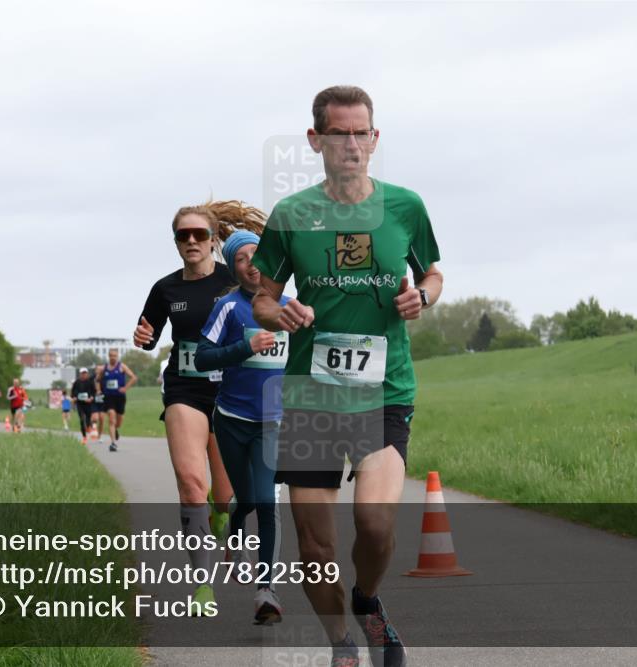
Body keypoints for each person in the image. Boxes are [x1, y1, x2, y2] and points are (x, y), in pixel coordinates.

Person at [252, 85, 443, 667]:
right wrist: (280, 312)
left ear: (375, 138)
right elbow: (262, 297)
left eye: (363, 133)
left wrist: (422, 298)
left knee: (376, 522)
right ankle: (342, 645)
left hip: (383, 392)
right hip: (311, 396)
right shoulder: (292, 215)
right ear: (316, 140)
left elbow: (433, 274)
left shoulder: (405, 207)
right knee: (315, 548)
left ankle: (366, 600)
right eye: (340, 134)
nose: (353, 145)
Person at [133, 200, 264, 611]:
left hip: (230, 392)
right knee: (191, 485)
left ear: (212, 240)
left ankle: (224, 520)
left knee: (225, 496)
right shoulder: (165, 289)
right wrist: (143, 338)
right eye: (183, 235)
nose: (191, 240)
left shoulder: (233, 279)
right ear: (176, 242)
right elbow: (150, 335)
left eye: (199, 234)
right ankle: (203, 585)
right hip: (184, 390)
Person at [195, 230, 289, 626]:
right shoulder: (229, 308)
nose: (251, 264)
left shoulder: (288, 306)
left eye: (257, 255)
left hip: (272, 423)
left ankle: (266, 590)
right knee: (246, 499)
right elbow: (202, 358)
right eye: (241, 258)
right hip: (232, 420)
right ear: (233, 268)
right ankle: (234, 528)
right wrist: (244, 348)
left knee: (267, 502)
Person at [99, 348, 138, 452]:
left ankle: (116, 429)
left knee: (119, 422)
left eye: (115, 355)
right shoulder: (104, 368)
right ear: (108, 356)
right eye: (111, 355)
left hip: (120, 397)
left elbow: (133, 377)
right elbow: (97, 379)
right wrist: (99, 389)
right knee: (111, 418)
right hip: (108, 397)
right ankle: (113, 443)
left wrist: (125, 388)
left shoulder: (122, 366)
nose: (113, 357)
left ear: (117, 356)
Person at [70, 367, 96, 443]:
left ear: (87, 374)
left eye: (85, 373)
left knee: (88, 419)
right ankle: (84, 437)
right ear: (80, 374)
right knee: (81, 419)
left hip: (88, 403)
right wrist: (74, 397)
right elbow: (73, 392)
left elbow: (94, 391)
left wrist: (91, 398)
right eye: (82, 373)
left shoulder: (90, 382)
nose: (83, 375)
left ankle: (88, 426)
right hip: (80, 403)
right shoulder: (77, 382)